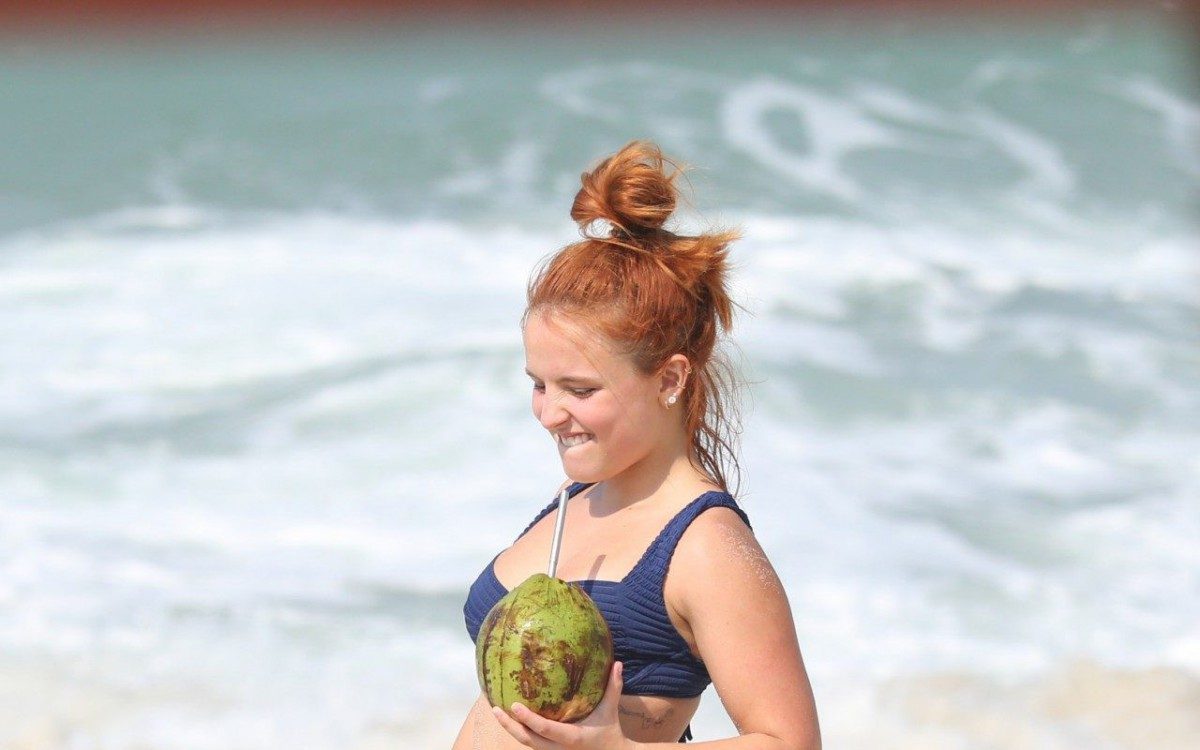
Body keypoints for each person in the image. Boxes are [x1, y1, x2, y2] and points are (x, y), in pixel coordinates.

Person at [453, 141, 821, 750]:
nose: (549, 413)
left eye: (580, 388)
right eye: (539, 385)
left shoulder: (706, 546)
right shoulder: (575, 499)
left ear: (670, 379)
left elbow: (791, 742)